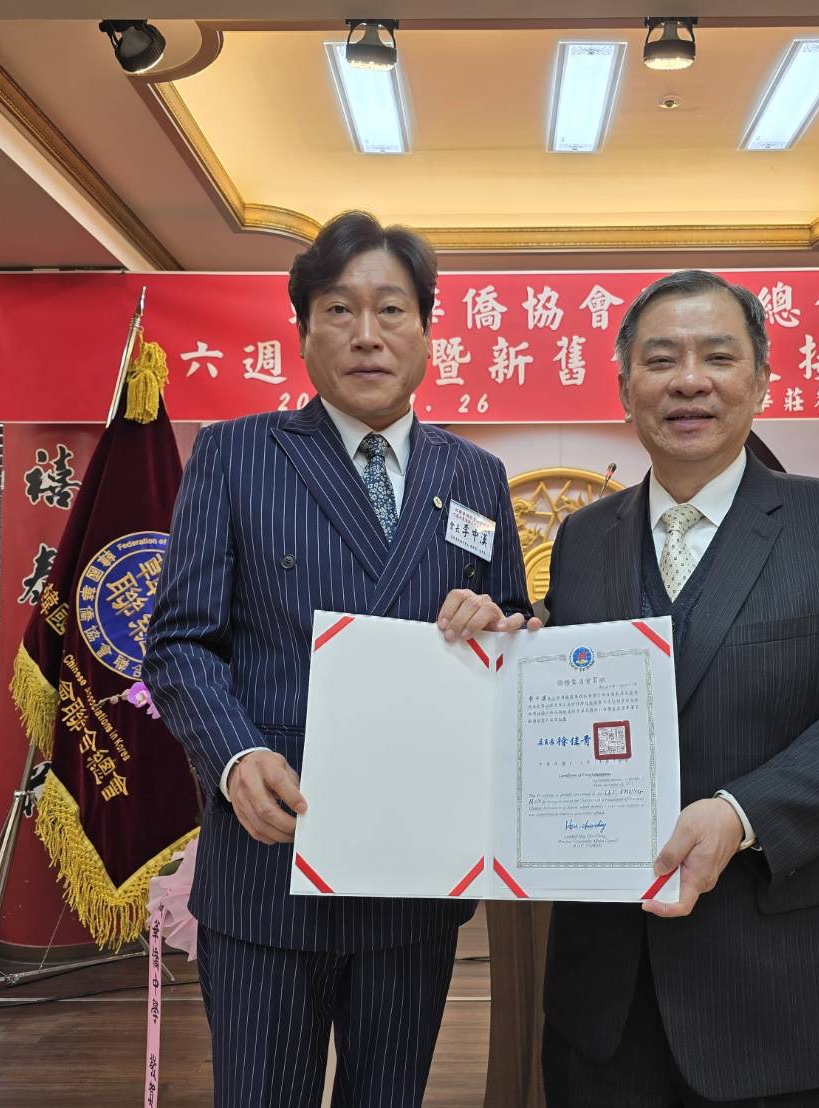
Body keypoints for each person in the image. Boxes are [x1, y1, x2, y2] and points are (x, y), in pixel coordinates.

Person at [143, 210, 535, 1108]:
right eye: (338, 309)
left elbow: (515, 624)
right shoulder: (237, 453)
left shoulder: (474, 475)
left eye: (391, 309)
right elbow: (179, 640)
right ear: (303, 332)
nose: (366, 334)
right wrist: (233, 757)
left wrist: (500, 622)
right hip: (270, 859)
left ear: (426, 331)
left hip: (417, 868)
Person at [540, 270, 819, 1107]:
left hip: (786, 991)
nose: (688, 380)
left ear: (760, 382)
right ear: (624, 386)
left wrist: (739, 812)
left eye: (717, 357)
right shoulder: (581, 539)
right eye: (660, 360)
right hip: (606, 999)